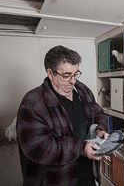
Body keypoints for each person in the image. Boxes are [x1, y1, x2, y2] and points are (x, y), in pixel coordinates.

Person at [17, 45, 108, 186]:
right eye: (66, 76)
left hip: (86, 175)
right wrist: (81, 148)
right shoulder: (33, 103)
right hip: (56, 180)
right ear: (50, 73)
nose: (73, 81)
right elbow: (37, 147)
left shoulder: (82, 90)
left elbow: (97, 113)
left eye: (76, 74)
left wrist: (99, 129)